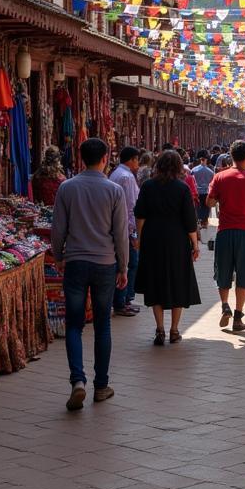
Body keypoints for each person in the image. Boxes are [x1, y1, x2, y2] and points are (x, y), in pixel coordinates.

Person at [52, 138, 128, 410]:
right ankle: (101, 385)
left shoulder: (67, 188)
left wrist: (59, 256)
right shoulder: (114, 190)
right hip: (105, 264)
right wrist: (123, 266)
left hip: (75, 262)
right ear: (105, 157)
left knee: (74, 324)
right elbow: (120, 234)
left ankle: (77, 381)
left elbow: (58, 227)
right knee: (102, 325)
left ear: (81, 158)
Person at [133, 150, 201, 346]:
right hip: (177, 240)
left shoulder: (148, 186)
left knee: (156, 282)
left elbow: (140, 214)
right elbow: (190, 221)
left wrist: (140, 237)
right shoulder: (181, 188)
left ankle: (160, 328)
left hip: (153, 238)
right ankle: (174, 330)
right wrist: (195, 244)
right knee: (178, 280)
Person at [206, 141, 245, 332]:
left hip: (225, 231)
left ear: (231, 156)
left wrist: (222, 199)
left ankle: (225, 306)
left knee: (223, 272)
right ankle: (238, 316)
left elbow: (209, 202)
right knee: (244, 274)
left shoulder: (219, 177)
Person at [110, 146, 142, 318]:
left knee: (123, 264)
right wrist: (134, 234)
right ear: (131, 159)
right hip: (125, 229)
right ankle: (123, 302)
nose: (138, 163)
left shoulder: (115, 173)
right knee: (130, 264)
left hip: (115, 226)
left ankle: (122, 301)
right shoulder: (127, 177)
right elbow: (130, 208)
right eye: (137, 159)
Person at [191, 153, 215, 232]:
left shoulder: (194, 170)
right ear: (206, 160)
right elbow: (212, 183)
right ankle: (204, 224)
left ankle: (197, 224)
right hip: (205, 192)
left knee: (197, 208)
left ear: (200, 160)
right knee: (205, 209)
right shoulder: (210, 171)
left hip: (197, 192)